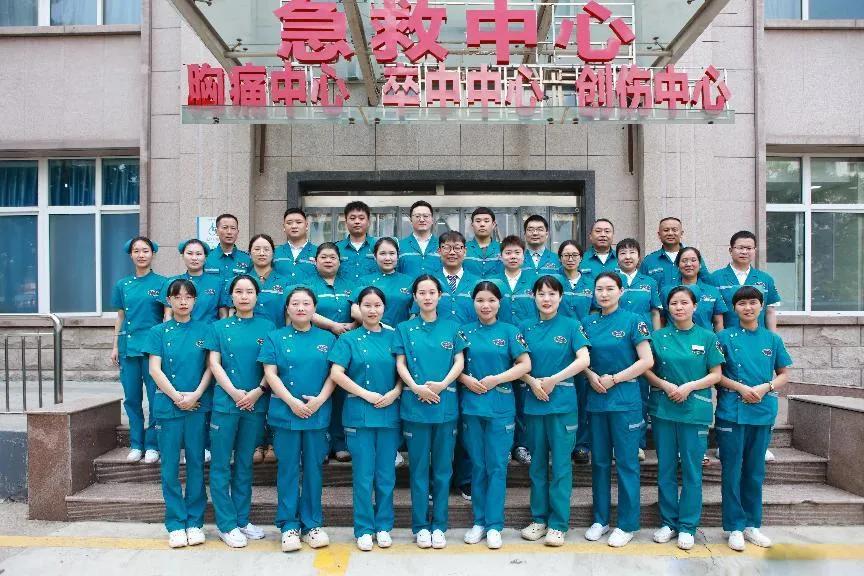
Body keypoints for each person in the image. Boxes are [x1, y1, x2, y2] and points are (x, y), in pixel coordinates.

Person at [644, 286, 724, 551]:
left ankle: (688, 526)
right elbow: (647, 370)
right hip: (664, 409)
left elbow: (716, 374)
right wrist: (665, 385)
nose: (679, 307)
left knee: (691, 470)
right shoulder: (657, 337)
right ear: (667, 307)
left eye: (684, 302)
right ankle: (668, 523)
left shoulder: (708, 337)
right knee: (666, 468)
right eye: (674, 303)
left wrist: (689, 386)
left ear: (695, 306)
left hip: (694, 410)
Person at [259, 287, 337, 553]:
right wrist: (292, 402)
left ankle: (312, 525)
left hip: (317, 413)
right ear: (287, 308)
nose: (301, 308)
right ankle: (289, 526)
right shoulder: (275, 337)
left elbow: (334, 374)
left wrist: (319, 400)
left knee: (314, 469)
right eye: (295, 303)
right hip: (285, 413)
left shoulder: (327, 338)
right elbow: (270, 374)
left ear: (315, 308)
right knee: (288, 469)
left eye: (306, 303)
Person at [715, 286, 792, 552]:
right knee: (731, 470)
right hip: (731, 412)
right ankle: (735, 527)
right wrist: (740, 388)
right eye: (742, 303)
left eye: (753, 303)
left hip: (761, 411)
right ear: (734, 308)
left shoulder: (772, 339)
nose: (748, 307)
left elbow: (784, 374)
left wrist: (765, 387)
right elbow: (715, 374)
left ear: (761, 306)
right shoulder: (723, 337)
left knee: (755, 471)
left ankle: (752, 525)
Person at [393, 274, 466, 550]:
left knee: (443, 470)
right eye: (421, 293)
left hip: (445, 405)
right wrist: (415, 387)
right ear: (414, 297)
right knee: (419, 470)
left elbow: (459, 362)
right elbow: (400, 364)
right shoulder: (404, 328)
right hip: (415, 406)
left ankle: (440, 526)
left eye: (432, 292)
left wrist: (442, 384)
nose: (427, 297)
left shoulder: (452, 327)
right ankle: (421, 526)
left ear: (440, 296)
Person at [518, 276, 591, 547]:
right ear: (533, 296)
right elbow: (517, 363)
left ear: (561, 297)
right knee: (537, 466)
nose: (546, 299)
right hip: (534, 403)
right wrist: (532, 382)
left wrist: (553, 379)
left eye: (552, 294)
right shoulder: (524, 327)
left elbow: (584, 359)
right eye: (541, 293)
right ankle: (538, 519)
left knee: (560, 466)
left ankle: (558, 524)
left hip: (562, 405)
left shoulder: (571, 326)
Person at [458, 282, 531, 550]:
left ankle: (494, 525)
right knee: (478, 465)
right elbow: (454, 366)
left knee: (497, 466)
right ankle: (479, 522)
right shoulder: (464, 332)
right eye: (480, 300)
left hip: (500, 406)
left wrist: (496, 379)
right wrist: (465, 379)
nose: (485, 305)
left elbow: (525, 365)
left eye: (491, 300)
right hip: (472, 406)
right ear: (473, 303)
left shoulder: (510, 331)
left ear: (499, 303)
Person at [583, 272, 654, 548]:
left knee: (626, 462)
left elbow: (646, 361)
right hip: (597, 398)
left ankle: (627, 524)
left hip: (625, 400)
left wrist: (615, 378)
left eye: (610, 288)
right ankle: (600, 519)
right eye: (599, 289)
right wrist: (591, 375)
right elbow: (581, 358)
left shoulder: (633, 320)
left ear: (621, 291)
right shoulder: (588, 322)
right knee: (599, 462)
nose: (604, 294)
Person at [329, 286, 402, 552]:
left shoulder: (395, 336)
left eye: (377, 305)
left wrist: (395, 392)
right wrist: (365, 394)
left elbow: (403, 371)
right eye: (367, 305)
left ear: (384, 308)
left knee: (385, 475)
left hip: (389, 413)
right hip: (359, 413)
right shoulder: (348, 339)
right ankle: (363, 528)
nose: (372, 310)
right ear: (358, 308)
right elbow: (337, 374)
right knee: (362, 475)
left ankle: (383, 526)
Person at [205, 274, 274, 549]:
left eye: (249, 292)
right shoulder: (218, 327)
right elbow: (214, 363)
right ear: (231, 296)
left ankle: (242, 519)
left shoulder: (267, 326)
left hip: (255, 403)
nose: (244, 296)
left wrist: (258, 391)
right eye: (239, 292)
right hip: (226, 403)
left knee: (245, 463)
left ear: (257, 296)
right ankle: (226, 524)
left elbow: (271, 365)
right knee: (221, 464)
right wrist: (234, 392)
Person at [145, 279, 212, 549]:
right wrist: (176, 397)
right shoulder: (158, 332)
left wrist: (195, 395)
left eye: (188, 297)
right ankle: (175, 523)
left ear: (195, 300)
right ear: (169, 300)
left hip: (196, 404)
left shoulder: (205, 330)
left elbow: (210, 367)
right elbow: (154, 369)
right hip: (168, 405)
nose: (183, 301)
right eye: (177, 297)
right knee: (170, 466)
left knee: (196, 463)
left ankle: (195, 522)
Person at [110, 236, 166, 464]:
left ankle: (152, 445)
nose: (141, 255)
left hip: (152, 349)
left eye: (145, 250)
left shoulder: (162, 283)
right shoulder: (122, 285)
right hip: (128, 348)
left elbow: (166, 318)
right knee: (132, 398)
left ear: (152, 254)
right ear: (131, 255)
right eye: (136, 251)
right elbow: (120, 316)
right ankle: (136, 443)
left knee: (155, 398)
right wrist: (115, 345)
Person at [489, 235, 537, 466]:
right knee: (502, 396)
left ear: (524, 255)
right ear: (501, 256)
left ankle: (522, 444)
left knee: (524, 397)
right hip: (498, 345)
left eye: (517, 252)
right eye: (508, 253)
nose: (513, 256)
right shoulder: (493, 282)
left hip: (526, 347)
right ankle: (505, 445)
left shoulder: (534, 281)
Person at [307, 242, 357, 462]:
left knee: (342, 394)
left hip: (347, 346)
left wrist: (351, 326)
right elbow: (305, 310)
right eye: (323, 257)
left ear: (339, 260)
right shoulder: (308, 285)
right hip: (316, 345)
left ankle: (340, 442)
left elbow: (360, 309)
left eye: (332, 257)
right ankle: (321, 443)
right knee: (319, 390)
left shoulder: (351, 284)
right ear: (315, 261)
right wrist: (333, 326)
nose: (328, 261)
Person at [615, 238, 663, 459]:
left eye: (632, 252)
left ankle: (637, 443)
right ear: (617, 257)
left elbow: (655, 312)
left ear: (639, 257)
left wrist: (657, 339)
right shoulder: (611, 279)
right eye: (623, 252)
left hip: (642, 343)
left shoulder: (649, 282)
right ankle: (614, 443)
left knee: (641, 392)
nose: (628, 256)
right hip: (617, 343)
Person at [557, 241, 594, 465]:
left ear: (581, 257)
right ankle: (561, 443)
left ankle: (581, 444)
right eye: (566, 255)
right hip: (559, 344)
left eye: (574, 255)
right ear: (560, 258)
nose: (570, 259)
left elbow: (596, 311)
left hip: (584, 345)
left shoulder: (591, 283)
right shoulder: (554, 282)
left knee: (582, 395)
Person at [710, 231, 781, 332]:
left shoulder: (765, 279)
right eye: (740, 248)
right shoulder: (715, 278)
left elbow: (770, 312)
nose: (744, 252)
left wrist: (773, 338)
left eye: (749, 248)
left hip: (758, 337)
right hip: (728, 337)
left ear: (755, 250)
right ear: (730, 250)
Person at [413, 231, 480, 324]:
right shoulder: (427, 281)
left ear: (465, 251)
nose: (452, 252)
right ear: (439, 251)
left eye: (457, 248)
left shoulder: (477, 282)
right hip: (436, 333)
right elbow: (416, 314)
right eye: (446, 248)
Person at [350, 237, 414, 329]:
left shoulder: (409, 281)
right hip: (372, 334)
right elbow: (355, 311)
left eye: (392, 253)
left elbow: (415, 312)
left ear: (397, 256)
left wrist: (404, 331)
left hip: (401, 334)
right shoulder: (365, 281)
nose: (387, 258)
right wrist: (381, 327)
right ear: (375, 256)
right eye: (382, 253)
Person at [660, 246, 726, 332]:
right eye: (684, 261)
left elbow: (718, 323)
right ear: (678, 265)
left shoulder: (712, 291)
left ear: (700, 264)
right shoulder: (666, 291)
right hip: (673, 339)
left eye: (693, 260)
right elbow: (661, 320)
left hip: (705, 339)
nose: (688, 264)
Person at [160, 239, 225, 324]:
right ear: (182, 256)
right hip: (180, 331)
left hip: (209, 331)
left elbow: (223, 316)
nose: (194, 258)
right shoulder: (172, 282)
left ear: (205, 257)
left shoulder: (217, 283)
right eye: (189, 253)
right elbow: (168, 316)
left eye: (198, 254)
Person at [640, 217, 710, 292]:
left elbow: (707, 282)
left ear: (681, 233)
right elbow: (641, 288)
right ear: (659, 234)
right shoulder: (649, 261)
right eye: (666, 230)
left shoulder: (693, 258)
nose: (670, 233)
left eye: (674, 230)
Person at [203, 213, 252, 285]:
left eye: (233, 228)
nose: (229, 232)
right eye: (225, 227)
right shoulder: (206, 257)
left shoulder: (247, 259)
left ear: (237, 232)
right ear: (216, 231)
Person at [336, 201, 378, 283]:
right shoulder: (336, 248)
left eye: (361, 218)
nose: (357, 221)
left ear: (368, 222)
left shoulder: (378, 246)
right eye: (352, 218)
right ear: (346, 222)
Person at [397, 200, 440, 278]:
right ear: (411, 220)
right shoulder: (399, 246)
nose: (422, 219)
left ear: (432, 220)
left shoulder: (442, 246)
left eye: (426, 216)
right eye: (417, 216)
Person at [273, 208, 318, 283]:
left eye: (298, 222)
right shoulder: (275, 253)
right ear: (284, 227)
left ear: (306, 226)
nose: (294, 226)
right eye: (289, 223)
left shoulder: (318, 252)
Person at [464, 207, 503, 279]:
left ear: (493, 224)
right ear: (472, 225)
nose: (482, 224)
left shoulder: (502, 248)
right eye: (478, 221)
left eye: (486, 221)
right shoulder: (463, 248)